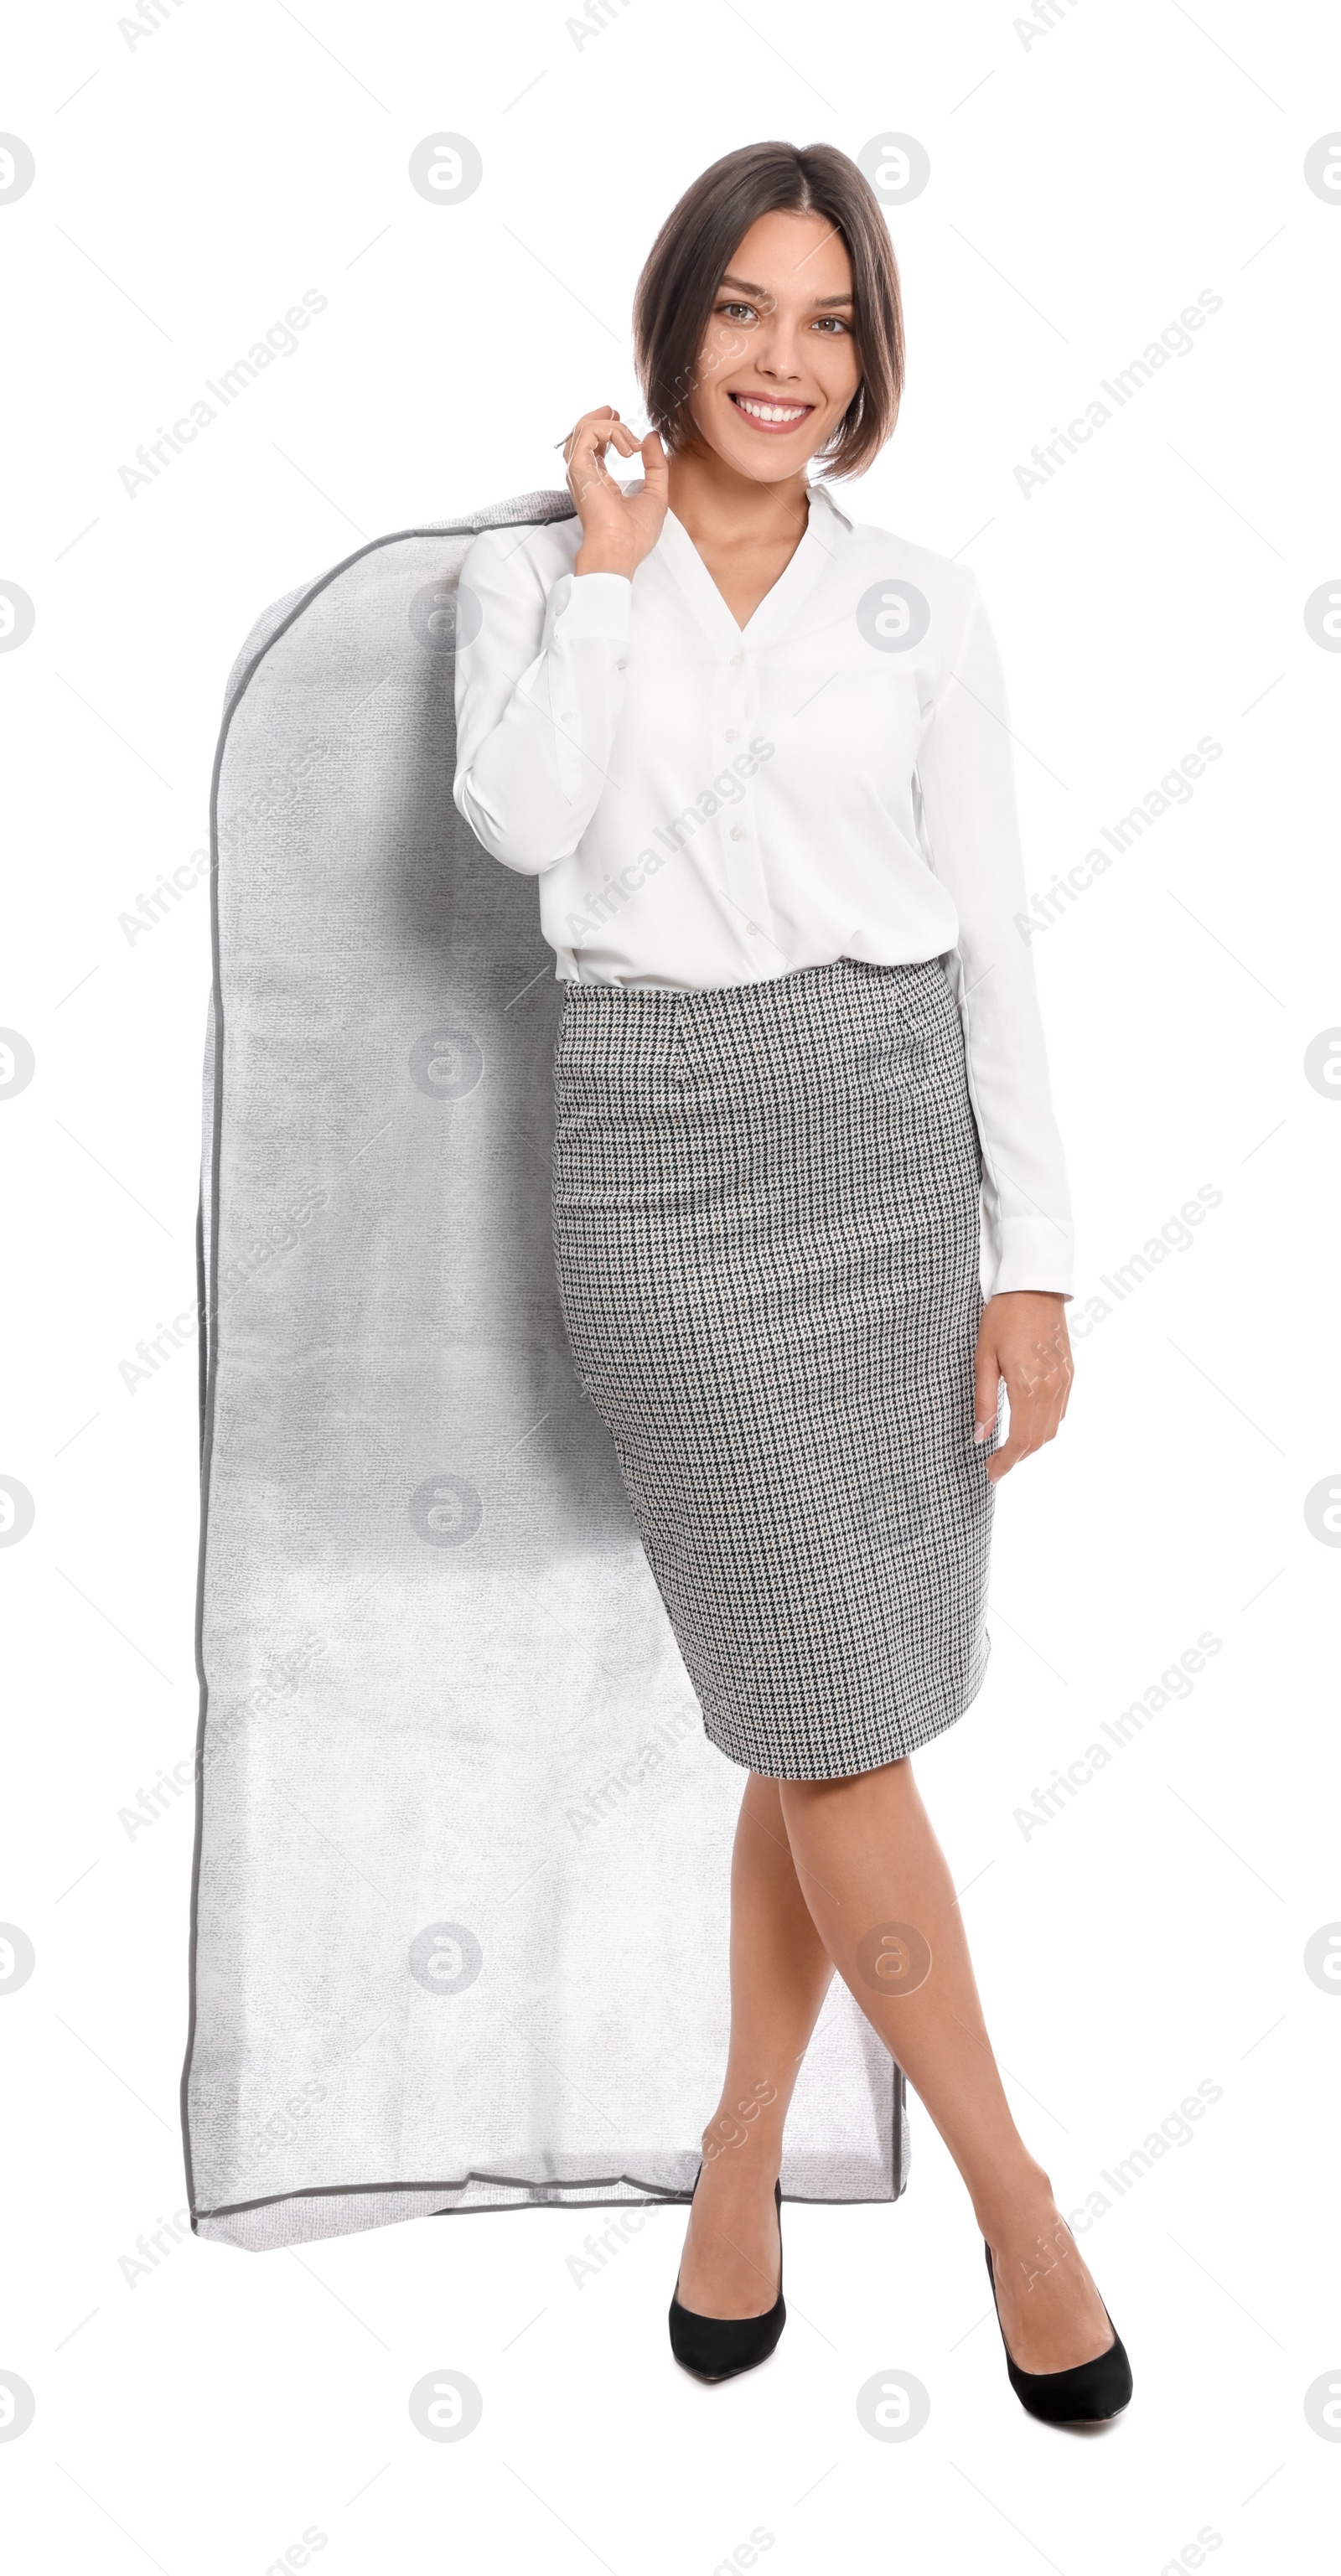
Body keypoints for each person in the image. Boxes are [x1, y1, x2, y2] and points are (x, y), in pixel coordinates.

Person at [453, 139, 1131, 2422]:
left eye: (830, 319)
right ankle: (1019, 2198)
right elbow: (526, 827)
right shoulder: (548, 580)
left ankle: (740, 2150)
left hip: (881, 1152)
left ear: (873, 355)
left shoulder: (924, 602)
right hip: (656, 1174)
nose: (785, 358)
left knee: (807, 1702)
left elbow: (1001, 939)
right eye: (748, 308)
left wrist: (1030, 1258)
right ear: (675, 321)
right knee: (837, 1711)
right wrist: (610, 580)